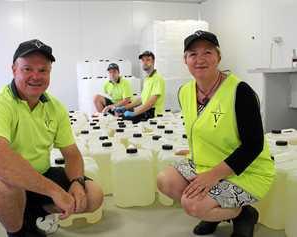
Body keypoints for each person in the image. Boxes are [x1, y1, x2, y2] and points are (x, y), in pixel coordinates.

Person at [157, 30, 275, 237]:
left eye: (207, 52)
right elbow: (201, 126)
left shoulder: (240, 91)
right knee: (165, 180)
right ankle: (217, 210)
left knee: (192, 204)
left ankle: (243, 214)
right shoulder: (185, 91)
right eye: (193, 54)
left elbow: (254, 145)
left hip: (245, 170)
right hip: (205, 162)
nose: (200, 59)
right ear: (185, 60)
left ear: (218, 57)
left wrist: (213, 176)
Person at [0, 39, 103, 237]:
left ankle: (32, 212)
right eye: (27, 69)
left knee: (93, 195)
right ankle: (18, 231)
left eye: (43, 70)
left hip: (39, 174)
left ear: (50, 73)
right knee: (2, 183)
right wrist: (55, 191)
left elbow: (71, 154)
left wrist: (77, 182)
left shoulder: (55, 107)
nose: (35, 76)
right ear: (14, 69)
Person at [115, 51, 165, 123]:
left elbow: (150, 103)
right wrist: (125, 107)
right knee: (122, 118)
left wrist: (134, 113)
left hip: (153, 114)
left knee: (124, 121)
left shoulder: (157, 78)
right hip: (146, 112)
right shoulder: (147, 79)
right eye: (143, 60)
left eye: (148, 60)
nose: (145, 62)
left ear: (153, 62)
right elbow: (141, 99)